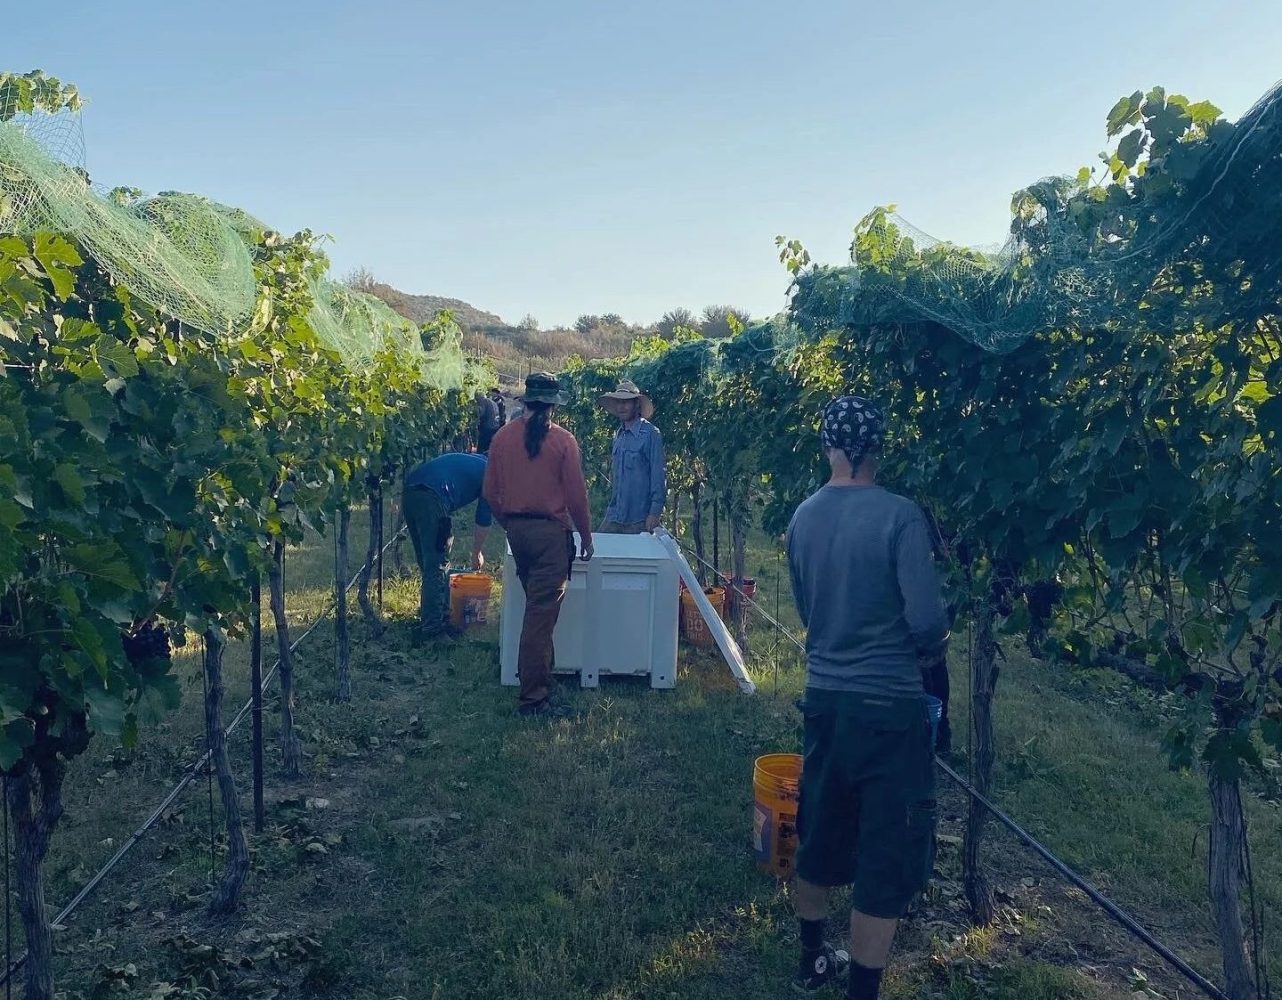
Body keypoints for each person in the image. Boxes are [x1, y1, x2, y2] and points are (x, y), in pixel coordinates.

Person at [784, 396, 949, 998]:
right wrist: (930, 648)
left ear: (828, 446)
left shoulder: (803, 516)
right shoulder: (901, 516)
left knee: (820, 830)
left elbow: (808, 610)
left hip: (825, 700)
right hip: (890, 709)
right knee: (886, 850)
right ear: (878, 448)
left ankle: (810, 963)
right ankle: (863, 991)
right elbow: (927, 622)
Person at [482, 372, 594, 718]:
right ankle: (533, 698)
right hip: (549, 536)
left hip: (519, 533)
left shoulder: (502, 438)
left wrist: (510, 525)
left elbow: (490, 493)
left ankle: (542, 680)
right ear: (553, 406)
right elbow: (576, 496)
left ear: (527, 402)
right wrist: (586, 536)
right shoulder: (562, 441)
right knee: (540, 618)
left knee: (538, 610)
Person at [402, 451, 493, 643]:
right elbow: (483, 517)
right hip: (432, 497)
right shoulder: (491, 474)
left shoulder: (480, 462)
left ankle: (437, 617)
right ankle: (433, 631)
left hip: (411, 491)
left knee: (429, 562)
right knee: (437, 564)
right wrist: (477, 552)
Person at [596, 379, 666, 534]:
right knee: (600, 550)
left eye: (626, 402)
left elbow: (658, 475)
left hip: (638, 518)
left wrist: (654, 513)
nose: (622, 407)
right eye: (618, 403)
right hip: (615, 514)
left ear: (636, 404)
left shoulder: (651, 434)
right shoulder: (618, 435)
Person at [475, 389, 501, 454]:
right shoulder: (493, 402)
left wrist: (475, 416)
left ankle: (479, 459)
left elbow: (481, 413)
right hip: (496, 427)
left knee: (481, 445)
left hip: (487, 427)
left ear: (479, 397)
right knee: (489, 446)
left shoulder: (483, 401)